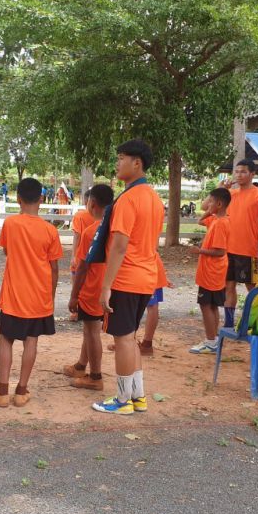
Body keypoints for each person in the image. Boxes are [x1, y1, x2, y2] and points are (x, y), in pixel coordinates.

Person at [89, 139, 164, 415]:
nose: (117, 163)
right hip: (145, 278)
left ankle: (122, 401)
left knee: (122, 339)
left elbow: (120, 246)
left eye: (121, 158)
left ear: (137, 163)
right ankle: (138, 397)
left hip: (126, 278)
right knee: (130, 339)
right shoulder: (153, 198)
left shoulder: (128, 199)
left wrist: (106, 286)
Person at [0, 178, 63, 408]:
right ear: (41, 199)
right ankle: (21, 391)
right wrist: (51, 295)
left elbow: (8, 251)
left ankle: (2, 391)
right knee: (31, 340)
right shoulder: (50, 230)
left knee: (6, 339)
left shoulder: (11, 224)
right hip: (39, 295)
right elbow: (54, 268)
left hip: (14, 295)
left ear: (18, 199)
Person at [65, 184, 115, 391]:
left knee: (92, 331)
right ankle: (80, 366)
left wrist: (74, 296)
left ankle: (95, 376)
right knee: (91, 329)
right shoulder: (117, 230)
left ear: (92, 203)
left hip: (93, 288)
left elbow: (82, 268)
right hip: (111, 287)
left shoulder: (92, 232)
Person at [222, 159, 258, 328]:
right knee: (229, 286)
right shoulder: (230, 194)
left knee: (253, 288)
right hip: (228, 249)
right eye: (237, 171)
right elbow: (208, 206)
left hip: (248, 250)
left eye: (243, 171)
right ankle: (229, 324)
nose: (239, 175)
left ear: (252, 174)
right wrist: (222, 189)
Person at [189, 187, 231, 354]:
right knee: (212, 305)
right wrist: (212, 209)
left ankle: (210, 341)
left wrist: (199, 251)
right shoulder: (215, 219)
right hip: (213, 271)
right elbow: (200, 220)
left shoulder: (220, 223)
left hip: (212, 272)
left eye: (211, 202)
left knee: (206, 305)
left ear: (219, 204)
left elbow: (220, 251)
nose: (207, 205)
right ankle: (213, 339)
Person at [138, 254, 171, 357]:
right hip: (151, 265)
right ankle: (146, 344)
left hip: (144, 266)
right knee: (152, 305)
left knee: (151, 305)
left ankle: (131, 342)